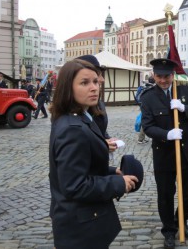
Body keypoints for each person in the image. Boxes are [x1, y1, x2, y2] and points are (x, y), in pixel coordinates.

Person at [48, 59, 140, 249]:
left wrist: (111, 171)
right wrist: (118, 184)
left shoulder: (81, 117)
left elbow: (82, 166)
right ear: (68, 87)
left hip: (86, 221)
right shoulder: (72, 128)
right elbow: (74, 185)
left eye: (95, 82)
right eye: (84, 83)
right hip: (81, 228)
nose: (94, 88)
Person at [140, 58, 188, 249]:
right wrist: (167, 135)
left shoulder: (185, 89)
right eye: (159, 76)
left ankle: (182, 220)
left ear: (173, 75)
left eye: (167, 76)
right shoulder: (148, 97)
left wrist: (184, 108)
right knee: (165, 194)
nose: (163, 80)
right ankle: (169, 230)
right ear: (154, 76)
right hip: (164, 154)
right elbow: (147, 126)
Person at [76, 55, 120, 156]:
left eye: (96, 80)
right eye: (85, 82)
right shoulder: (70, 119)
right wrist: (102, 145)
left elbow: (100, 130)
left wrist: (107, 139)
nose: (102, 80)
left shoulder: (97, 101)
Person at [135, 77, 155, 144]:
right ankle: (141, 139)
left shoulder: (144, 87)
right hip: (149, 107)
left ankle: (142, 138)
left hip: (142, 106)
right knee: (147, 122)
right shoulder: (151, 87)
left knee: (146, 121)